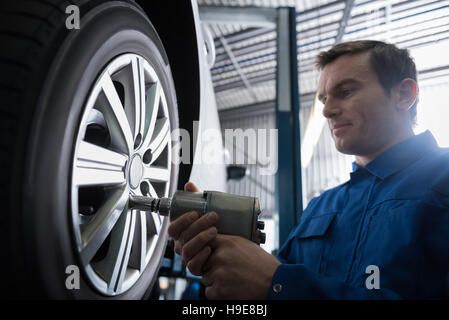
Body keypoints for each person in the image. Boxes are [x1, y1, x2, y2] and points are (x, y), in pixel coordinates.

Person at [168, 40, 449, 299]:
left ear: (403, 94)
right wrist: (225, 261)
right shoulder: (321, 208)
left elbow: (277, 282)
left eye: (346, 91)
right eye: (324, 99)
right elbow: (270, 283)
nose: (327, 111)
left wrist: (278, 284)